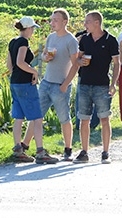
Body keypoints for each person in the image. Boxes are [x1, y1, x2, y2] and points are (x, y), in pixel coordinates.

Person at [21, 9, 79, 161]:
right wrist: (45, 57)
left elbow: (75, 65)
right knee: (36, 115)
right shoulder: (51, 37)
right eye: (51, 20)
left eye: (55, 20)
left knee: (64, 118)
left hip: (61, 85)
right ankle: (24, 146)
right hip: (46, 83)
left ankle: (68, 149)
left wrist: (66, 84)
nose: (52, 23)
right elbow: (44, 54)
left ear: (64, 22)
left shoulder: (71, 41)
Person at [68, 11, 120, 164]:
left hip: (102, 85)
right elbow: (77, 59)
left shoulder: (111, 40)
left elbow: (117, 63)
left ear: (97, 23)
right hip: (84, 83)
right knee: (84, 119)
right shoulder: (84, 39)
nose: (85, 24)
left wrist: (113, 84)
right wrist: (80, 62)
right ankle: (84, 152)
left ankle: (105, 152)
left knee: (104, 118)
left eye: (88, 22)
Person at [7, 16, 59, 164]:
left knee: (18, 117)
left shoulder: (13, 42)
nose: (33, 31)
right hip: (25, 84)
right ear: (28, 28)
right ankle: (40, 151)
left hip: (15, 83)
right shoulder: (23, 42)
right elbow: (20, 62)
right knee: (37, 118)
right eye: (33, 29)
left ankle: (18, 149)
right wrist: (34, 72)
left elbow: (10, 64)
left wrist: (16, 75)